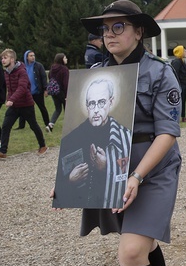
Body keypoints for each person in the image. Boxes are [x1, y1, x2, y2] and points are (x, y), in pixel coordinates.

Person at [57, 0, 182, 266]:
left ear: (138, 31)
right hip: (112, 165)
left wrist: (138, 176)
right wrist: (67, 176)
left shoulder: (161, 72)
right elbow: (84, 130)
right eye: (104, 28)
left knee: (130, 252)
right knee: (145, 244)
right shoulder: (97, 73)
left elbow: (167, 133)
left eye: (118, 26)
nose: (109, 34)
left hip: (153, 168)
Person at [56, 77, 132, 208]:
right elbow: (60, 184)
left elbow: (130, 174)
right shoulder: (71, 139)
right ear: (87, 105)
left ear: (111, 102)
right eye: (92, 103)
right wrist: (70, 181)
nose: (96, 109)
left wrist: (106, 167)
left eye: (101, 102)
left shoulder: (124, 136)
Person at [0, 49, 47, 158]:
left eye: (5, 58)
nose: (3, 60)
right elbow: (10, 89)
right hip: (14, 106)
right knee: (6, 126)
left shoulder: (21, 71)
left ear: (12, 59)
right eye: (2, 58)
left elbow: (22, 88)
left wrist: (12, 99)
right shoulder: (6, 72)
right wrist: (8, 98)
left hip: (26, 104)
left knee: (33, 125)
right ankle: (3, 152)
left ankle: (43, 146)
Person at [18, 50, 50, 130]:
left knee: (42, 107)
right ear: (26, 57)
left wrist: (45, 89)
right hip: (26, 92)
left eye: (33, 55)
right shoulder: (23, 67)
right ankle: (21, 125)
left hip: (37, 91)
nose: (33, 57)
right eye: (31, 56)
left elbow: (43, 77)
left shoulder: (38, 66)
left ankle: (47, 124)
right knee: (23, 108)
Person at [46, 53, 69, 132]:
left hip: (54, 91)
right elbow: (66, 83)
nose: (66, 59)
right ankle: (68, 126)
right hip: (62, 91)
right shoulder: (64, 69)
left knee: (58, 109)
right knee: (67, 108)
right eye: (65, 58)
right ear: (61, 59)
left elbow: (49, 77)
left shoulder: (52, 68)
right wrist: (67, 94)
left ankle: (50, 124)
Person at [171, 46, 186, 122]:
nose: (185, 52)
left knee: (183, 100)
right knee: (179, 101)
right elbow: (175, 74)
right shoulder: (176, 62)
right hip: (180, 86)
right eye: (184, 51)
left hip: (184, 85)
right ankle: (177, 116)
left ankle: (183, 116)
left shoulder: (182, 61)